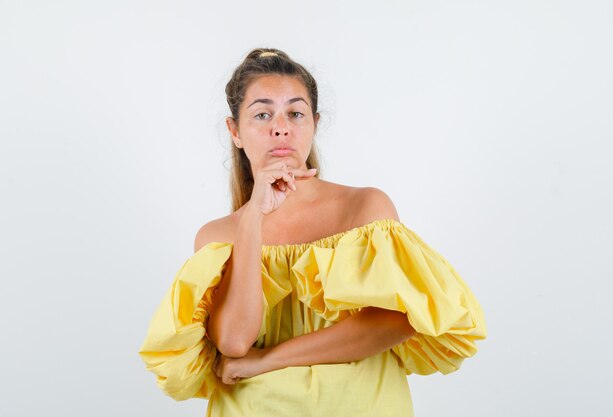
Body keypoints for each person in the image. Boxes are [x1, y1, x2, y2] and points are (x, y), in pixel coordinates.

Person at [138, 48, 487, 417]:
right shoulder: (216, 237)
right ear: (235, 131)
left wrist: (267, 360)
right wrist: (253, 217)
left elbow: (397, 321)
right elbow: (235, 343)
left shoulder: (365, 208)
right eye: (262, 114)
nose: (280, 126)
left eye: (295, 112)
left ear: (314, 124)